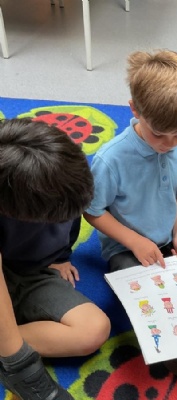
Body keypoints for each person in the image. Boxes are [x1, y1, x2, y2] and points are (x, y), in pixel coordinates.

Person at [84, 50, 177, 376]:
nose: (168, 143)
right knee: (148, 301)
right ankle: (176, 343)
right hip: (127, 246)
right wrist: (134, 241)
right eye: (158, 134)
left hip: (174, 229)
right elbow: (92, 211)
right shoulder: (111, 160)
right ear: (135, 110)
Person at [0, 118, 111, 400]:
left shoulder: (60, 178)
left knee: (94, 330)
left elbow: (72, 211)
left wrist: (61, 255)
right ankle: (10, 352)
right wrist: (19, 364)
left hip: (31, 274)